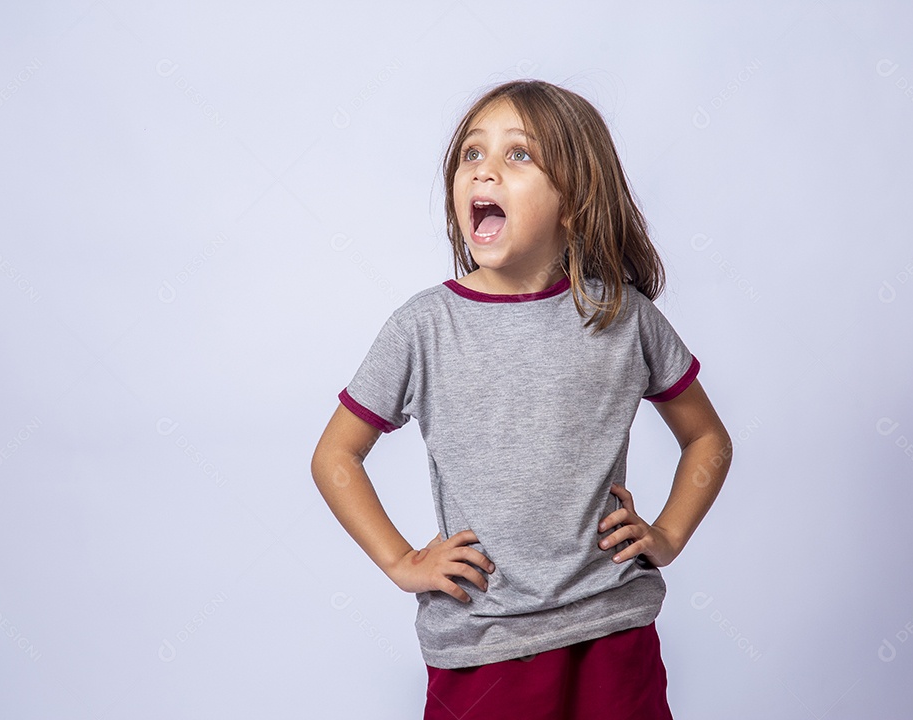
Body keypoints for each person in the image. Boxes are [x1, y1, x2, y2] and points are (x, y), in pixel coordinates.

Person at [311, 79, 732, 719]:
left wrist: (668, 533)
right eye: (471, 154)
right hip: (482, 647)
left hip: (612, 631)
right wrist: (401, 561)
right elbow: (336, 455)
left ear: (574, 200)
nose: (484, 171)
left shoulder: (625, 318)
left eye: (518, 155)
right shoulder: (421, 328)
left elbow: (708, 438)